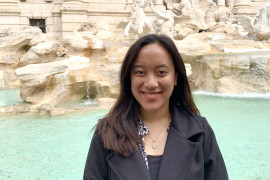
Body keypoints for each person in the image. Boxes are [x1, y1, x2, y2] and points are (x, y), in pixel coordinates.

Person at [83, 34, 228, 180]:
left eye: (161, 72)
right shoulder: (106, 131)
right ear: (129, 78)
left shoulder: (200, 131)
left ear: (176, 77)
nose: (151, 83)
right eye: (140, 72)